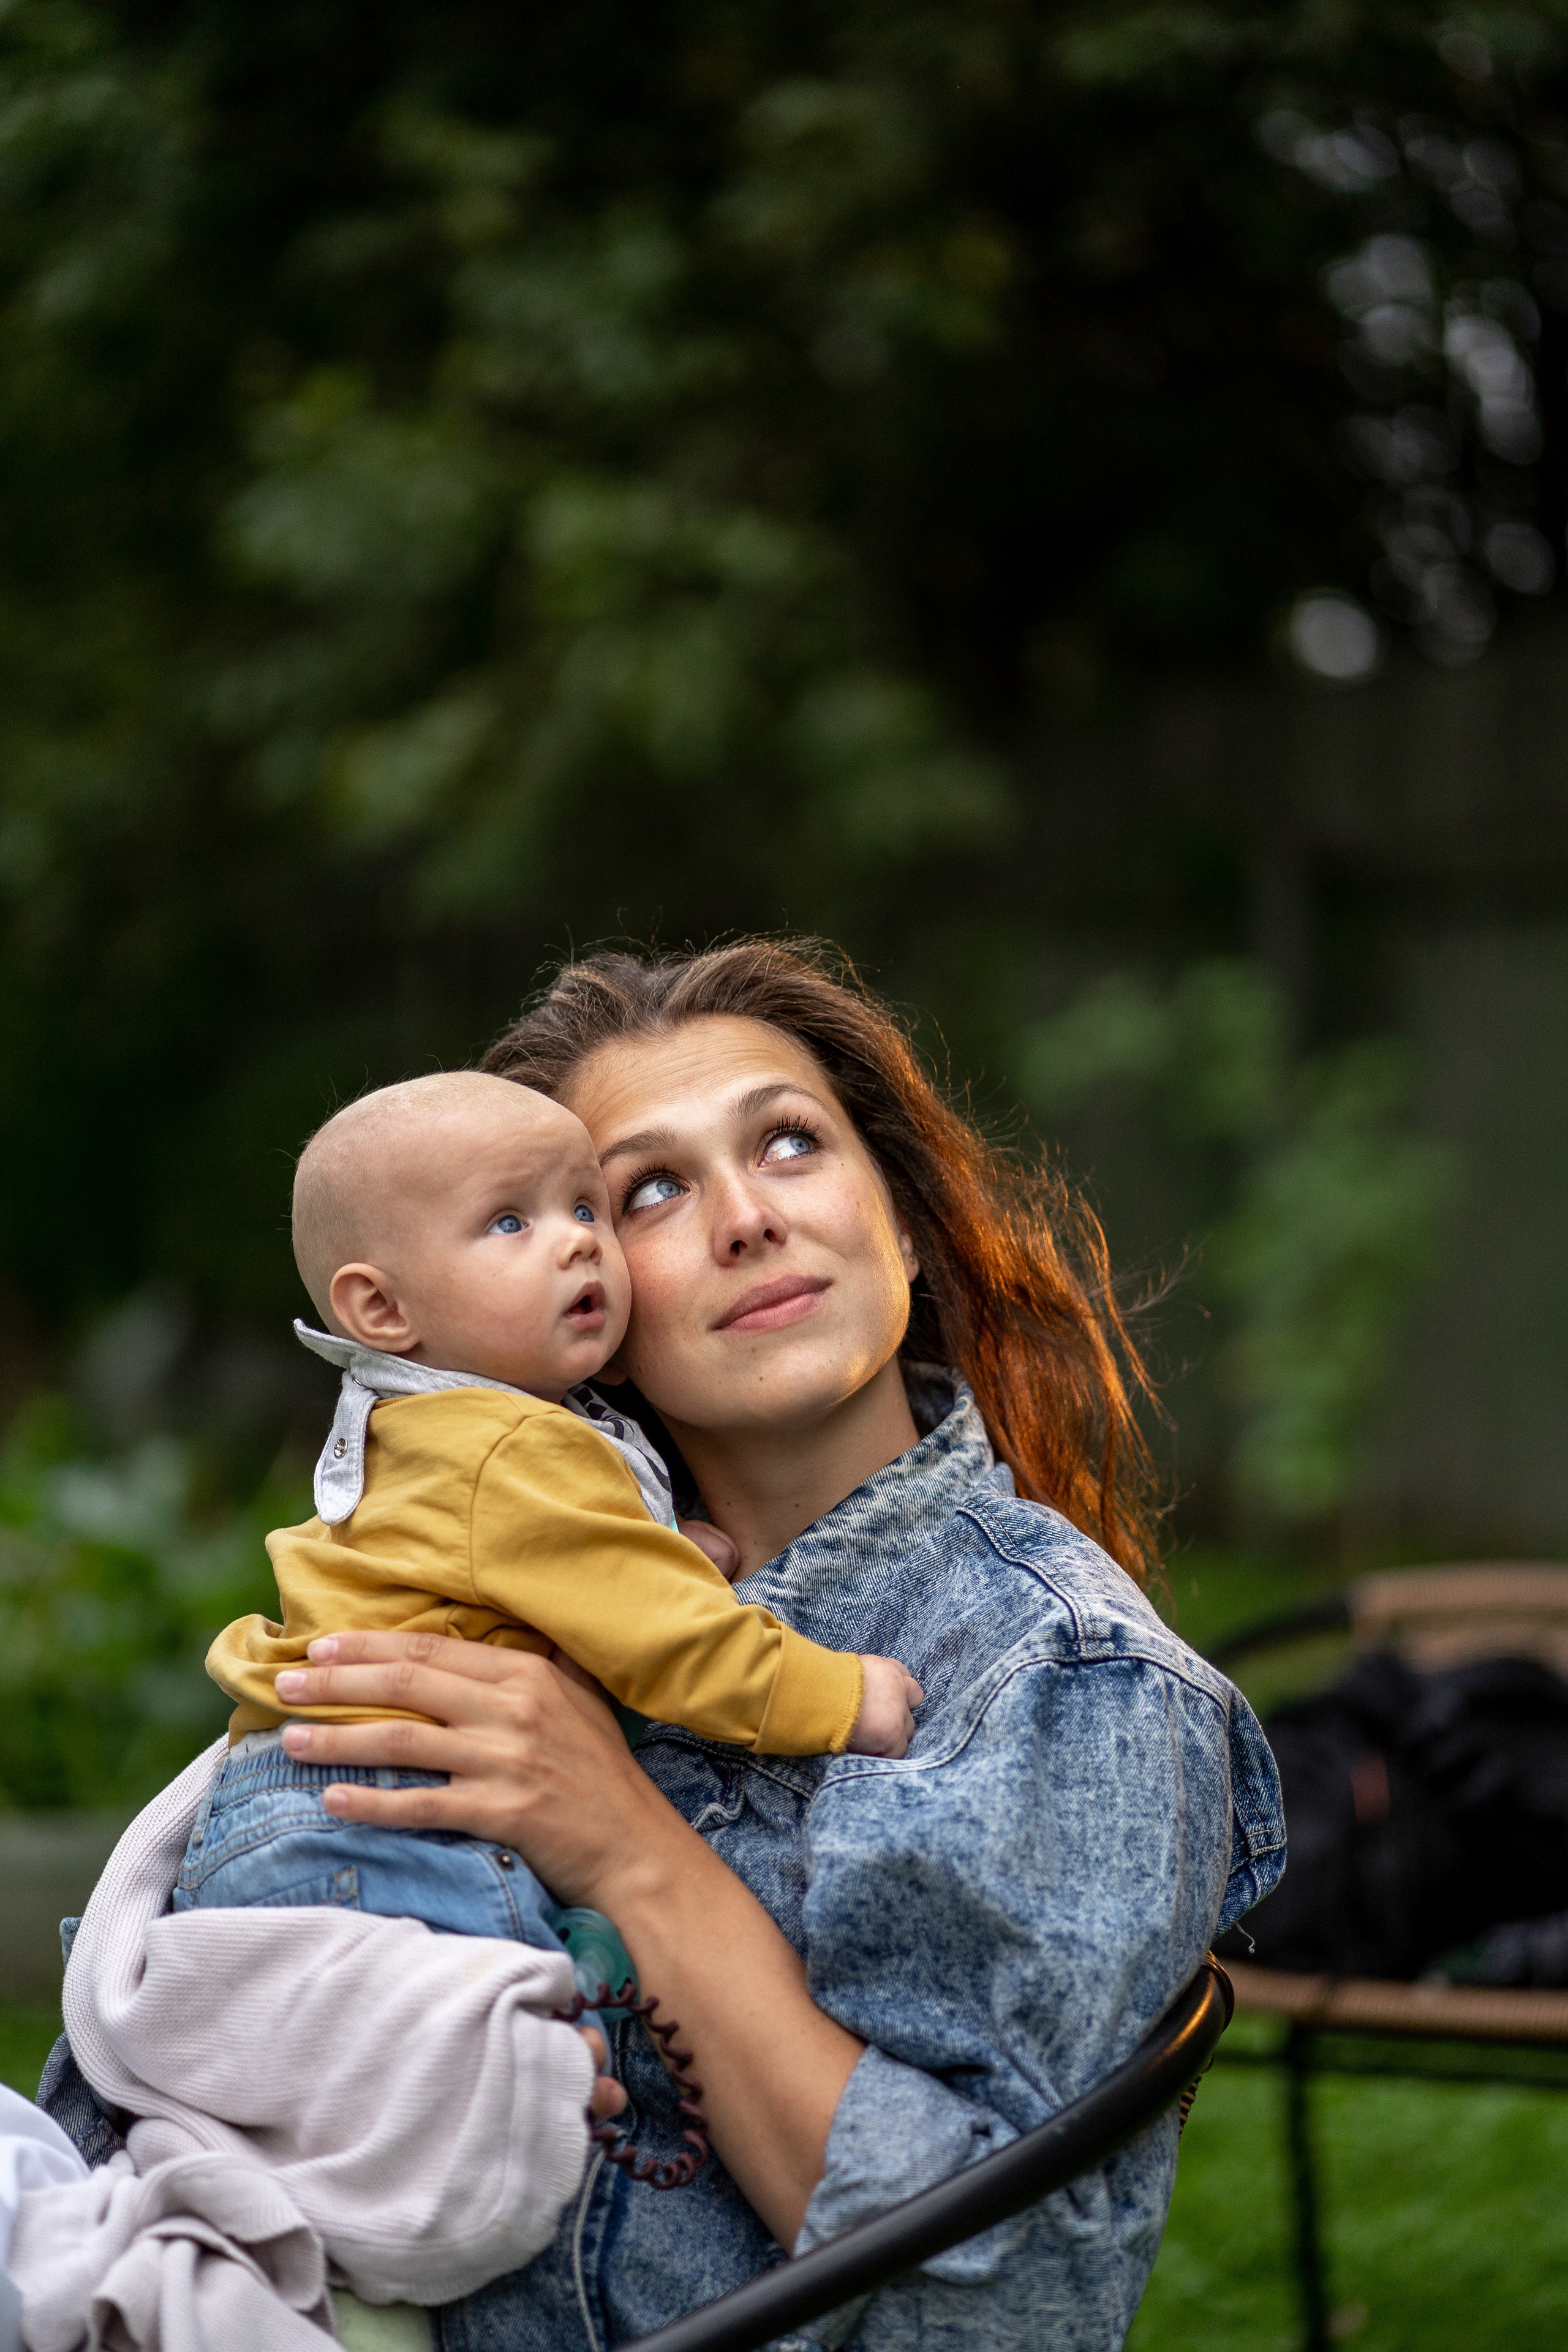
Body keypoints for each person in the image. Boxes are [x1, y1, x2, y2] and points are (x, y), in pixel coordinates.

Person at [258, 938, 1284, 2351]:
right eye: (653, 1192)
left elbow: (996, 2311)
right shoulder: (490, 1565)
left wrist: (627, 1848)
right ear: (586, 1300)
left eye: (790, 1143)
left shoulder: (1057, 1674)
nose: (744, 1217)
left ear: (905, 1228)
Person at [183, 1070, 919, 2015]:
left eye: (585, 1206)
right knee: (489, 2098)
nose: (578, 1239)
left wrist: (659, 1547)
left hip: (312, 1808)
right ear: (381, 1311)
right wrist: (845, 1696)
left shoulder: (451, 1433)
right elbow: (670, 1643)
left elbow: (545, 1576)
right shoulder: (511, 1449)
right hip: (383, 1828)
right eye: (508, 1223)